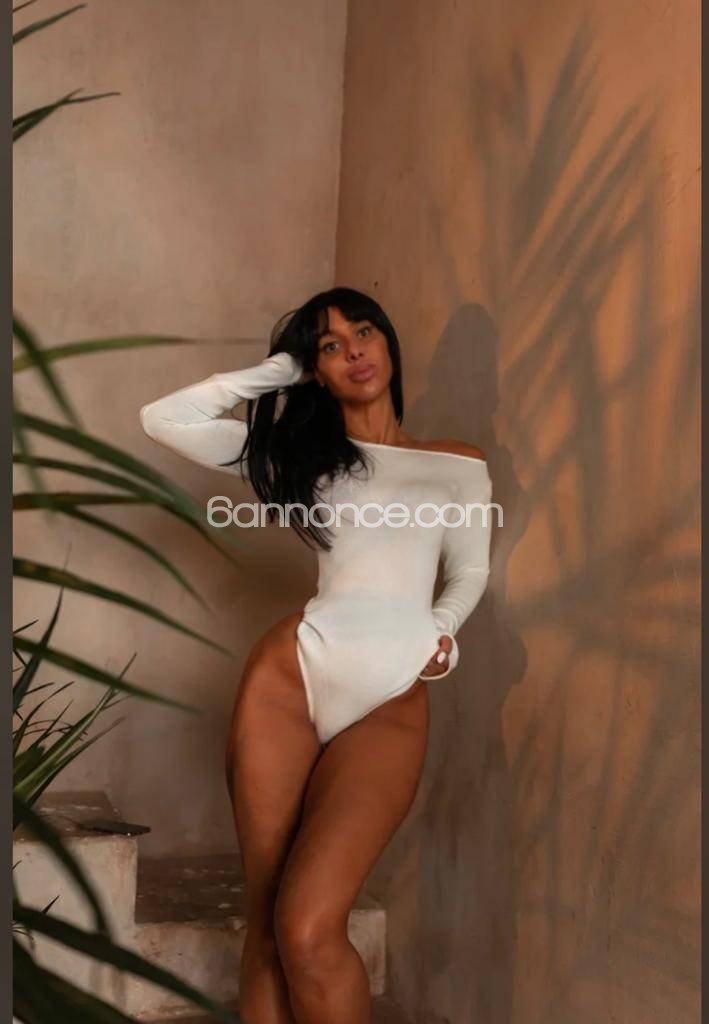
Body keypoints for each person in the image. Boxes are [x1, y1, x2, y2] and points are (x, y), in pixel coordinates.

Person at [139, 286, 493, 1024]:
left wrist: (443, 629)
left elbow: (468, 569)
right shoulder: (300, 458)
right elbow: (163, 420)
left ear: (388, 343)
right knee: (269, 923)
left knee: (308, 926)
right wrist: (280, 369)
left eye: (364, 332)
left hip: (390, 694)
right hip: (290, 680)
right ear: (316, 370)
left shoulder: (458, 464)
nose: (354, 351)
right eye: (330, 346)